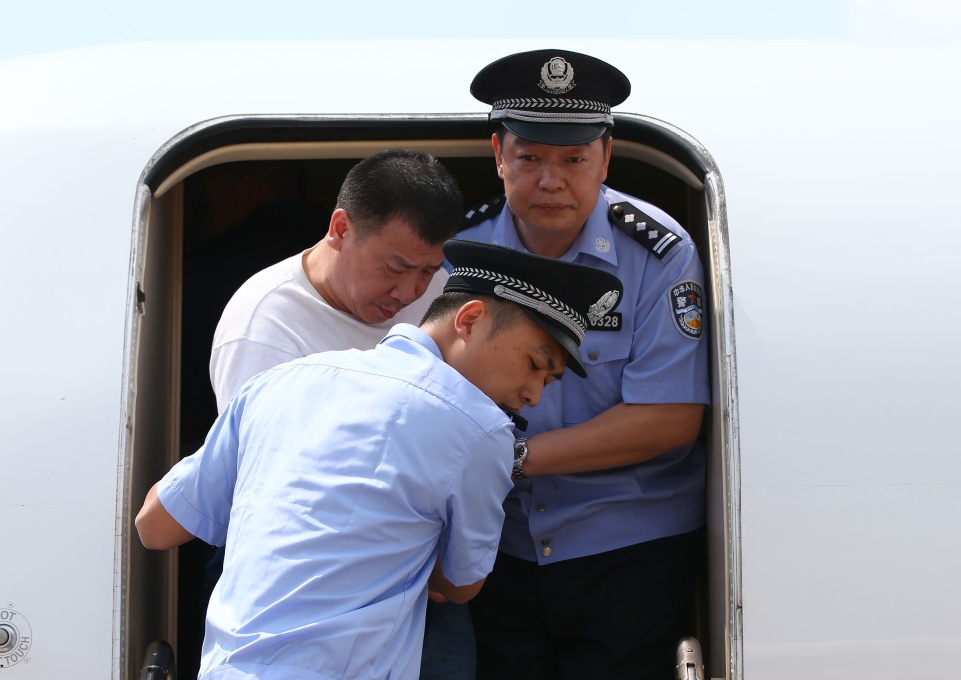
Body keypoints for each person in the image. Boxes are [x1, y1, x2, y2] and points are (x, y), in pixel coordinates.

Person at [135, 239, 624, 680]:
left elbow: (154, 526)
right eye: (535, 366)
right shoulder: (481, 431)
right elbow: (460, 585)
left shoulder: (283, 382)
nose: (534, 394)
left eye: (548, 381)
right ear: (470, 319)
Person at [458, 49, 711, 679]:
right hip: (497, 543)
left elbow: (670, 418)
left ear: (605, 157)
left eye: (573, 160)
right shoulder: (457, 254)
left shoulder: (658, 253)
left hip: (627, 544)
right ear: (498, 155)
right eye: (530, 158)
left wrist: (514, 459)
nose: (552, 181)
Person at [209, 149, 464, 411]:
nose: (409, 293)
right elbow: (262, 449)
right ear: (340, 230)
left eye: (428, 271)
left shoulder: (439, 288)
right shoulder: (264, 328)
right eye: (394, 269)